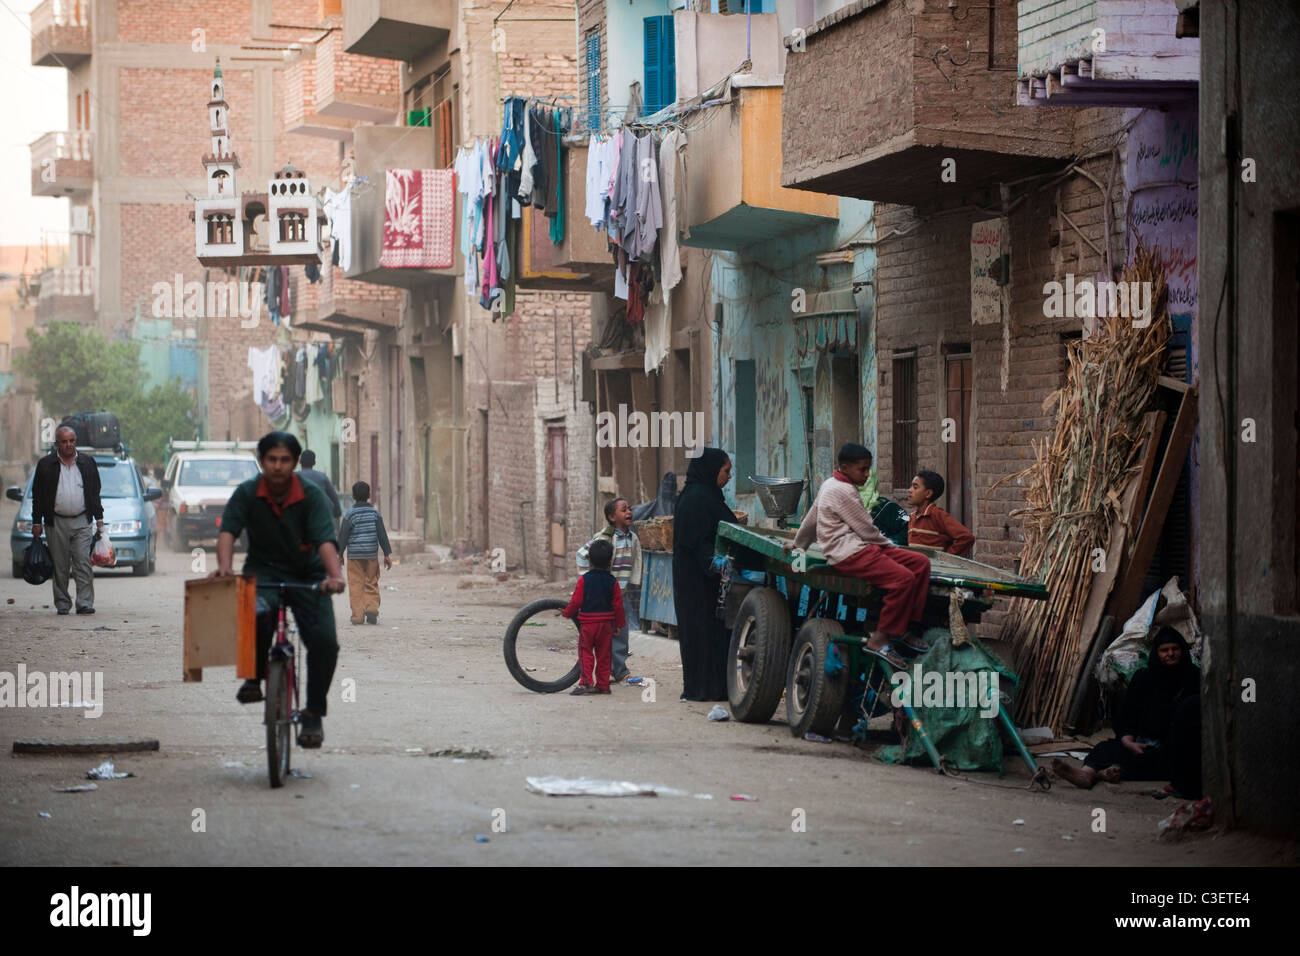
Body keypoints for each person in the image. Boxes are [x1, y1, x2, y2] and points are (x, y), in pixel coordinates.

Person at [211, 431, 346, 748]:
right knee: (256, 613)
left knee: (325, 641)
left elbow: (325, 540)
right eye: (271, 459)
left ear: (295, 462)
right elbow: (228, 531)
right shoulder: (246, 493)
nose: (277, 466)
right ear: (261, 461)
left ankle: (313, 713)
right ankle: (254, 677)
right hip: (263, 570)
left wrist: (335, 576)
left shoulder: (311, 496)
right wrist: (225, 566)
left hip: (308, 573)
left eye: (285, 460)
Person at [789, 443, 931, 670]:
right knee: (903, 579)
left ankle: (903, 627)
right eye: (862, 470)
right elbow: (867, 530)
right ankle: (879, 640)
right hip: (848, 552)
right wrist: (891, 548)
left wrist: (799, 544)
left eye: (868, 470)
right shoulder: (842, 491)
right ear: (844, 468)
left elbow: (811, 516)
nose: (866, 475)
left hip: (862, 546)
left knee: (921, 563)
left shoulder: (830, 483)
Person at [1053, 627, 1201, 797]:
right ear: (1156, 653)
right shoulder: (1143, 678)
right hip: (1142, 744)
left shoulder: (1193, 678)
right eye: (1164, 650)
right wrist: (1129, 741)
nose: (1170, 654)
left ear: (1182, 650)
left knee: (1173, 763)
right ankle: (1086, 774)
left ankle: (1106, 773)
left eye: (1175, 649)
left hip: (1173, 747)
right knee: (1105, 748)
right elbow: (1127, 716)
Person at [673, 448, 735, 702]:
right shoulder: (699, 499)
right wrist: (717, 566)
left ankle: (709, 688)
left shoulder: (702, 494)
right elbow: (699, 543)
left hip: (697, 579)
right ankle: (703, 689)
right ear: (711, 469)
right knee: (702, 633)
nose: (729, 476)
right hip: (697, 582)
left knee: (707, 633)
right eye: (726, 470)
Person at [30, 425, 103, 615]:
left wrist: (99, 518)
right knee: (60, 566)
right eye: (64, 441)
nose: (69, 445)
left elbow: (95, 492)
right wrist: (36, 522)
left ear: (75, 442)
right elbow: (37, 495)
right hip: (56, 522)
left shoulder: (87, 463)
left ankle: (85, 603)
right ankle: (62, 604)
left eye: (72, 441)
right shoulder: (46, 465)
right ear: (57, 443)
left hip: (81, 521)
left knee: (83, 563)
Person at [576, 497, 642, 682]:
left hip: (622, 594)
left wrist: (633, 582)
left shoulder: (633, 537)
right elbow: (581, 554)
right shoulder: (604, 538)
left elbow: (636, 560)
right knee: (603, 633)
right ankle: (603, 670)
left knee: (621, 631)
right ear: (612, 517)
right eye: (623, 510)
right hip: (605, 594)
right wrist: (588, 579)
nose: (629, 512)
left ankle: (619, 670)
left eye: (629, 508)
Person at [562, 538, 625, 696]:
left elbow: (576, 601)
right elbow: (618, 605)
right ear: (610, 561)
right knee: (604, 655)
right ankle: (603, 686)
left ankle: (586, 683)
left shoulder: (585, 580)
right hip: (606, 625)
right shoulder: (613, 581)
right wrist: (618, 625)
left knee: (585, 653)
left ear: (589, 560)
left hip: (588, 625)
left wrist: (566, 613)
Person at [337, 481, 393, 625]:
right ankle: (372, 608)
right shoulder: (375, 514)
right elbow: (382, 534)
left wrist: (340, 554)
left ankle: (357, 615)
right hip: (370, 555)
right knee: (371, 581)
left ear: (353, 496)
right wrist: (387, 554)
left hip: (354, 556)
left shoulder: (350, 515)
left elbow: (343, 536)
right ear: (369, 495)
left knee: (356, 584)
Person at [906, 470, 974, 556]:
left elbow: (966, 537)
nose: (910, 490)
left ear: (928, 493)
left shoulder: (937, 515)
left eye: (915, 487)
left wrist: (947, 558)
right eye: (911, 486)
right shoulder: (912, 517)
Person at [298, 449, 342, 521]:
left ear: (300, 461)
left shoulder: (293, 477)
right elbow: (333, 495)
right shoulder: (322, 476)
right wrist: (337, 511)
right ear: (314, 462)